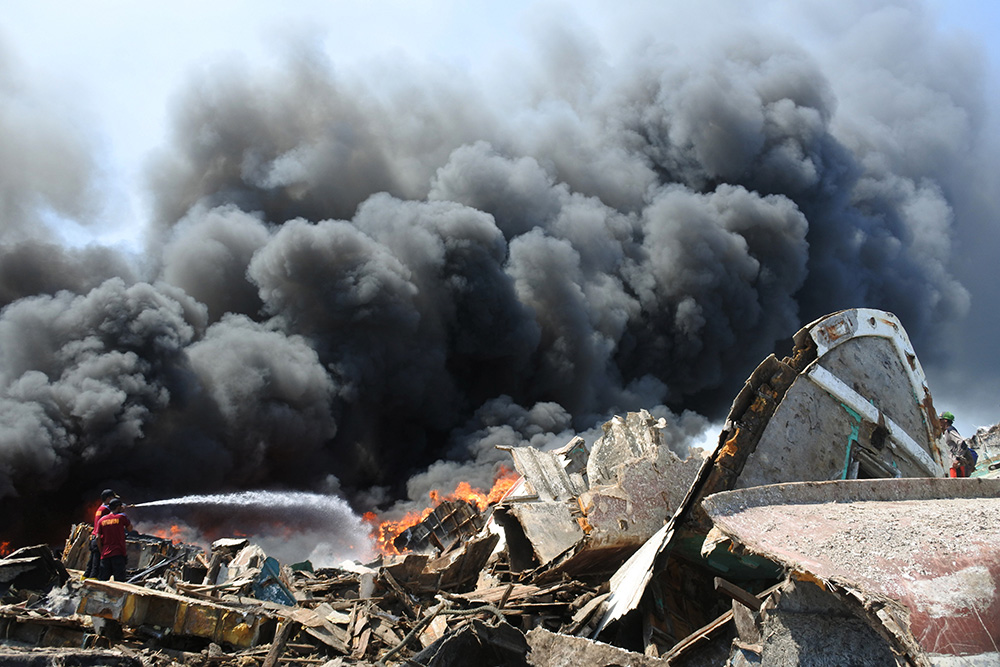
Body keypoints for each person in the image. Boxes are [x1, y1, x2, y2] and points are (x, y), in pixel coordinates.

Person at [96, 497, 133, 582]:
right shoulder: (122, 517)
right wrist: (123, 512)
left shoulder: (102, 520)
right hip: (118, 553)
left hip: (105, 554)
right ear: (118, 507)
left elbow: (97, 537)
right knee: (119, 581)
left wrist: (102, 552)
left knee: (103, 580)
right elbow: (130, 529)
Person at [83, 489, 118, 579]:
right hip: (100, 539)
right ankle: (91, 585)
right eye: (113, 499)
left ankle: (84, 579)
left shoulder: (101, 508)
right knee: (97, 566)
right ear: (108, 498)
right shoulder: (106, 510)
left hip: (95, 538)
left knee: (91, 564)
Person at [940, 411, 974, 478]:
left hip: (956, 465)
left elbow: (961, 443)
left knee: (959, 485)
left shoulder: (950, 430)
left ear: (945, 420)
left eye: (941, 420)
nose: (939, 422)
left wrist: (958, 459)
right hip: (953, 465)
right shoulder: (946, 432)